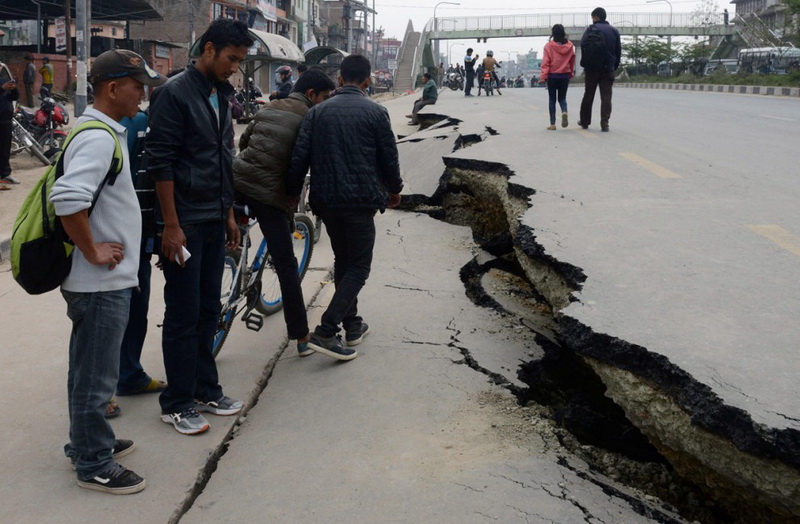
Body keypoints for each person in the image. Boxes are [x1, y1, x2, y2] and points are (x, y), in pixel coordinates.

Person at [50, 49, 166, 494]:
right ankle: (93, 463)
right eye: (138, 87)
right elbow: (68, 199)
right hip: (99, 281)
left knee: (86, 369)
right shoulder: (99, 136)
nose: (142, 95)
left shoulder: (99, 130)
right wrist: (94, 250)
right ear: (113, 88)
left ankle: (88, 442)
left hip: (100, 280)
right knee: (96, 375)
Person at [146, 18, 253, 435]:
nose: (234, 68)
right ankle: (176, 401)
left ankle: (206, 387)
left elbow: (223, 159)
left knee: (211, 308)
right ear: (208, 49)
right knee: (183, 313)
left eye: (240, 61)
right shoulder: (173, 94)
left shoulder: (220, 95)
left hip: (212, 216)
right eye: (231, 59)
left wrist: (228, 214)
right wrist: (170, 226)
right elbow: (162, 164)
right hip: (184, 223)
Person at [287, 54, 403, 361]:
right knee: (359, 266)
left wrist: (291, 192)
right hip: (361, 201)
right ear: (367, 81)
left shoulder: (317, 113)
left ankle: (352, 324)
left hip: (327, 200)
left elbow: (300, 157)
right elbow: (389, 157)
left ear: (340, 80)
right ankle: (326, 330)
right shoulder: (377, 113)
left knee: (343, 260)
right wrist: (395, 190)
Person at [233, 69, 335, 356]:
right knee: (286, 265)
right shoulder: (311, 117)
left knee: (233, 236)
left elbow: (244, 143)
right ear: (312, 94)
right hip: (268, 195)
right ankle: (302, 337)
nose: (325, 102)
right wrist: (292, 193)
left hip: (236, 182)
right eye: (324, 97)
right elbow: (302, 161)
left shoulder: (270, 106)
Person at [577, 7, 621, 132]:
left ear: (596, 17)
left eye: (593, 18)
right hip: (608, 68)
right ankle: (605, 123)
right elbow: (618, 51)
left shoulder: (591, 29)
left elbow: (583, 45)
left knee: (588, 94)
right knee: (606, 96)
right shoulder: (614, 31)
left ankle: (585, 121)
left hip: (592, 69)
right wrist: (613, 66)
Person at [540, 24, 575, 131]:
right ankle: (564, 111)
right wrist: (571, 73)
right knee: (562, 98)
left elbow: (546, 63)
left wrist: (543, 76)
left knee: (552, 99)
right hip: (564, 75)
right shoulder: (570, 46)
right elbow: (572, 60)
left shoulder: (548, 46)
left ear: (553, 33)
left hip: (552, 76)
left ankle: (552, 124)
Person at [0, 70, 19, 188]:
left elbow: (15, 97)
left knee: (5, 149)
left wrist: (13, 88)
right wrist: (2, 88)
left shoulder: (3, 79)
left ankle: (5, 174)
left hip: (6, 121)